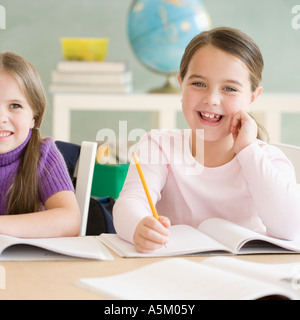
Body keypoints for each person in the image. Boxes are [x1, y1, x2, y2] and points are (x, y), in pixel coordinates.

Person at [113, 27, 300, 253]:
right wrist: (139, 227)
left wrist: (248, 150)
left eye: (229, 88)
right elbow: (129, 204)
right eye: (199, 84)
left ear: (252, 97)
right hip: (174, 274)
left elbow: (289, 228)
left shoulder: (268, 160)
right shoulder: (158, 146)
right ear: (181, 84)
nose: (211, 99)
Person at [0, 51, 80, 238]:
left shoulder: (43, 154)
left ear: (33, 118)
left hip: (31, 264)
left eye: (15, 106)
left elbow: (70, 221)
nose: (1, 118)